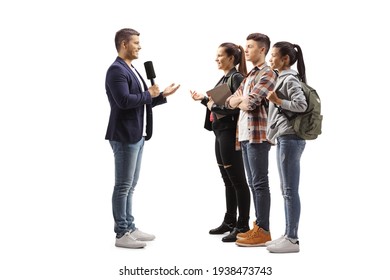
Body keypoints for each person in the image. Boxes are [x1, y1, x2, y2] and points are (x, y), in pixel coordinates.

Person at [105, 28, 180, 249]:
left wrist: (161, 95)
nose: (140, 46)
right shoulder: (116, 71)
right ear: (123, 44)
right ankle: (121, 233)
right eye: (136, 43)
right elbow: (124, 101)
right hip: (124, 135)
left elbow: (141, 101)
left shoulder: (131, 69)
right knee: (123, 185)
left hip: (137, 135)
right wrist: (150, 94)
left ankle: (130, 226)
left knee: (131, 185)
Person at [190, 43, 251, 242]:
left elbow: (237, 107)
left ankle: (242, 225)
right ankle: (230, 221)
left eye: (219, 56)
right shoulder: (225, 78)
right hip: (220, 132)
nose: (216, 59)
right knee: (227, 179)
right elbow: (217, 105)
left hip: (230, 133)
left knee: (238, 180)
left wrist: (211, 103)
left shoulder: (237, 78)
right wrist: (203, 100)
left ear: (231, 58)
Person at [225, 33, 277, 247]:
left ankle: (263, 230)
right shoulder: (248, 77)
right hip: (244, 136)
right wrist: (239, 100)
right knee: (253, 184)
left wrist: (241, 100)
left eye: (250, 47)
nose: (245, 51)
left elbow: (252, 102)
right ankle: (258, 227)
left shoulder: (268, 73)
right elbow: (229, 101)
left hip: (258, 136)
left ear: (262, 50)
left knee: (260, 182)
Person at [265, 41, 307, 253]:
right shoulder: (281, 78)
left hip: (291, 138)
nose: (270, 59)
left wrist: (278, 101)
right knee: (286, 189)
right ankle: (288, 234)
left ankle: (292, 239)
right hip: (284, 138)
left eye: (273, 55)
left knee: (290, 189)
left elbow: (302, 105)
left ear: (285, 59)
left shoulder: (289, 79)